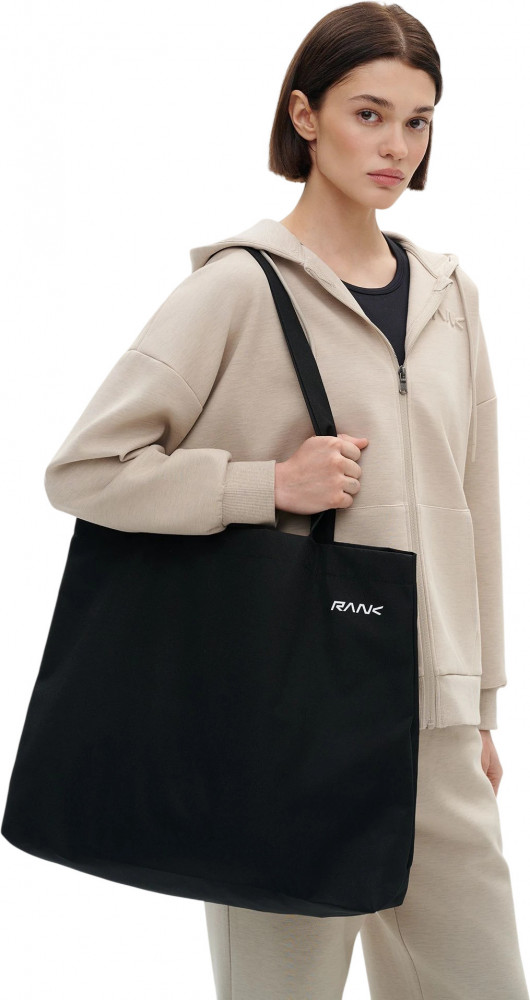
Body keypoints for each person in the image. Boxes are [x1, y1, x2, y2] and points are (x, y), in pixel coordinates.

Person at [43, 2, 529, 997]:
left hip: (433, 727)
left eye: (417, 121)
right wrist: (265, 485)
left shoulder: (450, 296)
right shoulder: (236, 288)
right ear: (304, 116)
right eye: (367, 114)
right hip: (284, 719)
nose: (395, 146)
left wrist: (476, 703)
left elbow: (475, 501)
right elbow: (86, 469)